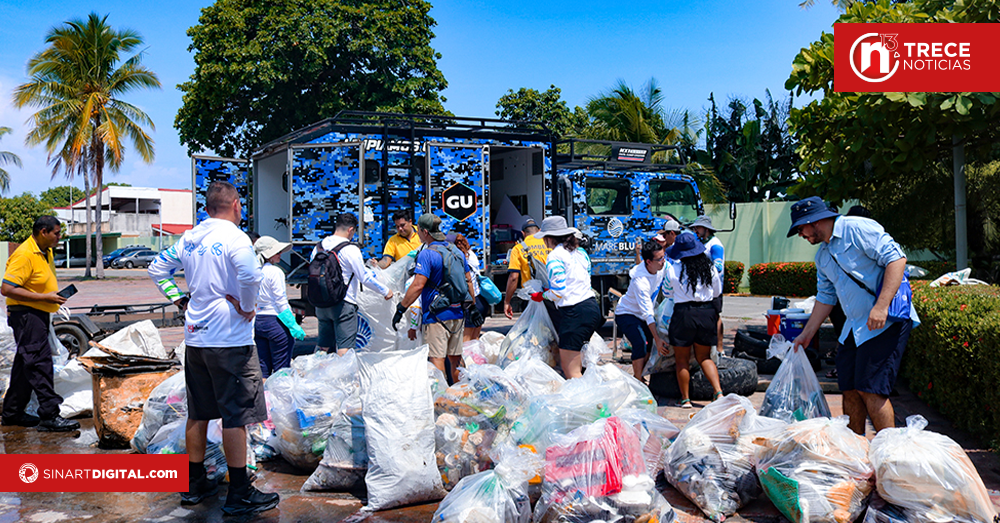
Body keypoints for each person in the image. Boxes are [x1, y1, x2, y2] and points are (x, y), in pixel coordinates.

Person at [147, 181, 278, 515]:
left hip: (196, 340)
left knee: (200, 412)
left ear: (207, 207)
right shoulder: (236, 238)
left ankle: (193, 484)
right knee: (236, 416)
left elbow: (157, 268)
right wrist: (249, 307)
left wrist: (178, 297)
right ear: (235, 205)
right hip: (231, 341)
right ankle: (239, 492)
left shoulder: (190, 239)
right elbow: (250, 278)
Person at [786, 196, 918, 434]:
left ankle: (889, 455)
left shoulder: (857, 228)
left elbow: (896, 259)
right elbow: (826, 297)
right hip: (856, 327)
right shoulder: (823, 256)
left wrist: (881, 306)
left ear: (814, 220)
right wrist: (807, 334)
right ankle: (855, 453)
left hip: (885, 321)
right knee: (848, 387)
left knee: (871, 388)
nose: (800, 235)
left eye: (800, 228)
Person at [0, 215, 79, 432]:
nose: (59, 236)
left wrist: (49, 297)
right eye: (56, 232)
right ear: (43, 232)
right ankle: (49, 415)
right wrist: (45, 298)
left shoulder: (46, 251)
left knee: (24, 364)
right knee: (39, 363)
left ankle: (12, 413)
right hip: (26, 315)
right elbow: (6, 289)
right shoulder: (25, 254)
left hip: (39, 314)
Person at [395, 213, 478, 384]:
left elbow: (418, 285)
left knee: (436, 359)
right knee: (456, 359)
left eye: (419, 231)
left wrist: (401, 308)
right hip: (458, 312)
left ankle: (442, 401)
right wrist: (472, 306)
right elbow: (468, 280)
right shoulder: (455, 250)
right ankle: (460, 396)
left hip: (436, 316)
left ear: (425, 231)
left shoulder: (427, 254)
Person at [312, 212, 393, 355]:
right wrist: (386, 291)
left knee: (323, 345)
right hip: (343, 303)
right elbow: (364, 278)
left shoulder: (319, 246)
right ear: (351, 229)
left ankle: (318, 373)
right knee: (345, 346)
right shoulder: (350, 249)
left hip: (321, 303)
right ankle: (344, 376)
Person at [536, 216, 604, 379]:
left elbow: (559, 291)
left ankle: (585, 402)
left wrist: (542, 295)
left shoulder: (554, 256)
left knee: (571, 370)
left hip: (574, 313)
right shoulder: (580, 252)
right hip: (592, 308)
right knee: (580, 364)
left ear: (548, 238)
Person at [665, 232, 724, 408]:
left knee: (682, 360)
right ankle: (718, 392)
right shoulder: (710, 268)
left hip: (683, 314)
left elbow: (667, 293)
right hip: (707, 313)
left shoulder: (673, 269)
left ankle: (685, 399)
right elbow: (717, 292)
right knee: (704, 357)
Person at [615, 240, 669, 384]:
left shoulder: (661, 267)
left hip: (643, 314)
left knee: (649, 343)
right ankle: (637, 379)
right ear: (649, 262)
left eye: (664, 257)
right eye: (659, 259)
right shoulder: (640, 281)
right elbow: (647, 313)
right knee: (640, 342)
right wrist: (658, 339)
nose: (663, 261)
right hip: (626, 314)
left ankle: (641, 375)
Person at [253, 236, 305, 378]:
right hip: (275, 322)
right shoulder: (275, 272)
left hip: (258, 322)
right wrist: (292, 324)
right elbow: (280, 301)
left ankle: (264, 399)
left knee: (262, 368)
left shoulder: (252, 271)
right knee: (281, 369)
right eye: (277, 252)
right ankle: (280, 398)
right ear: (268, 254)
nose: (280, 254)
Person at [503, 217, 551, 320]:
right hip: (551, 294)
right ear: (539, 231)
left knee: (534, 332)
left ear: (523, 233)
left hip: (532, 297)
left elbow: (514, 277)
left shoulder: (518, 249)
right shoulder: (549, 245)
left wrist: (507, 301)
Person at [690, 215, 725, 352]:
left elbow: (718, 266)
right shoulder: (700, 242)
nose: (696, 230)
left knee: (715, 316)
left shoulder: (715, 245)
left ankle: (720, 348)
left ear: (706, 229)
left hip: (714, 287)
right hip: (702, 287)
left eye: (698, 227)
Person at [451, 233, 490, 342]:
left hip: (470, 302)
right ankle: (476, 359)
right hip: (481, 301)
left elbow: (467, 283)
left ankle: (469, 359)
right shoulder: (471, 255)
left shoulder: (458, 260)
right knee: (475, 339)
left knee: (466, 342)